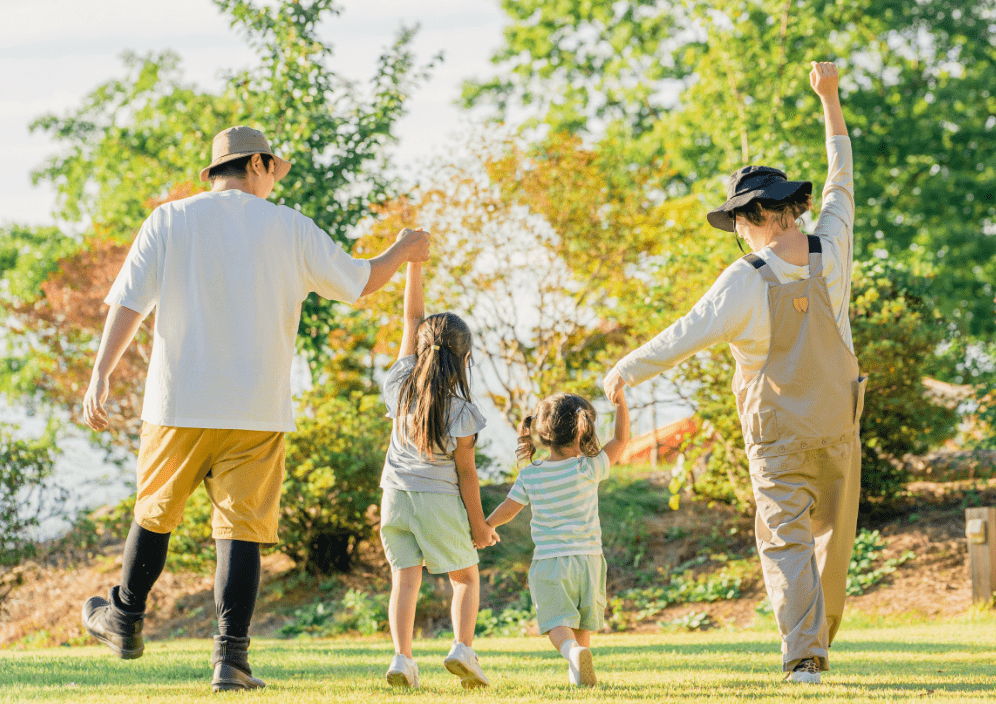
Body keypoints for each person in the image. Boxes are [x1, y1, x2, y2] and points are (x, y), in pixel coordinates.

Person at [79, 126, 431, 692]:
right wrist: (406, 250)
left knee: (154, 512)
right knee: (241, 532)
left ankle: (125, 616)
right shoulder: (289, 227)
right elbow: (362, 282)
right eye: (274, 171)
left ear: (216, 172)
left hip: (178, 400)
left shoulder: (169, 220)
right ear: (261, 165)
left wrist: (100, 374)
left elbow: (128, 303)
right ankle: (231, 661)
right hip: (257, 409)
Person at [603, 62, 860, 684]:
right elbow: (842, 176)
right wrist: (829, 97)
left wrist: (624, 371)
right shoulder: (835, 245)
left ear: (748, 220)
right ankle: (818, 643)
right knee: (833, 545)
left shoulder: (742, 280)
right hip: (838, 424)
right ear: (793, 210)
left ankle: (806, 659)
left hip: (777, 435)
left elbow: (683, 336)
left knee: (785, 542)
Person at [378, 257, 499, 690]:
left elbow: (412, 317)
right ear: (464, 358)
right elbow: (466, 475)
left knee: (404, 580)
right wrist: (480, 525)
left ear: (419, 346)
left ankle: (402, 658)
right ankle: (462, 648)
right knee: (464, 576)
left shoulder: (398, 384)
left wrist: (413, 263)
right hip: (437, 500)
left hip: (393, 497)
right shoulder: (462, 412)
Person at [485, 389, 630, 687]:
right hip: (589, 560)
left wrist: (486, 526)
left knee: (557, 624)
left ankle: (572, 653)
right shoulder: (588, 468)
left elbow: (507, 510)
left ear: (542, 432)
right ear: (582, 428)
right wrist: (621, 403)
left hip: (551, 563)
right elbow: (620, 440)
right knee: (582, 622)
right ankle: (580, 666)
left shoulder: (530, 474)